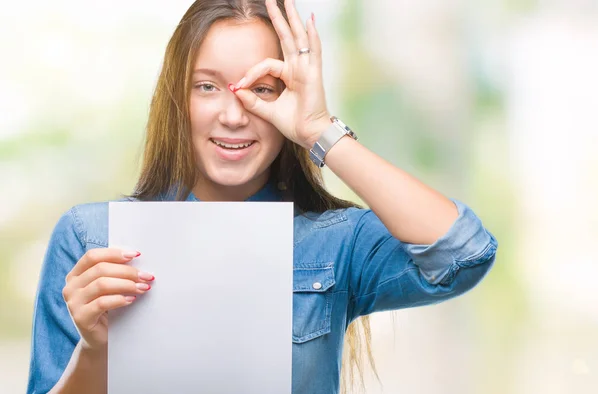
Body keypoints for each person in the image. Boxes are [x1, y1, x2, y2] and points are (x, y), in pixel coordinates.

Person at [26, 0, 498, 393]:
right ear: (177, 98)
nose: (234, 115)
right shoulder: (92, 236)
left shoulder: (334, 242)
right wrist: (95, 351)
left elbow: (463, 251)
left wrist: (319, 130)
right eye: (207, 86)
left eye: (261, 89)